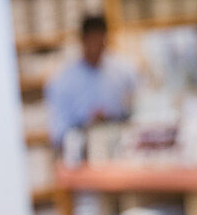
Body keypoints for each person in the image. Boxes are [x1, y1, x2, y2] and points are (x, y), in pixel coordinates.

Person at [45, 14, 135, 149]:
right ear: (82, 40)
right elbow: (58, 132)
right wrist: (87, 126)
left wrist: (113, 118)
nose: (96, 47)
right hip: (82, 152)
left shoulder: (123, 71)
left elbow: (137, 108)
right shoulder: (62, 80)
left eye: (100, 41)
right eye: (92, 40)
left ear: (106, 39)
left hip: (120, 146)